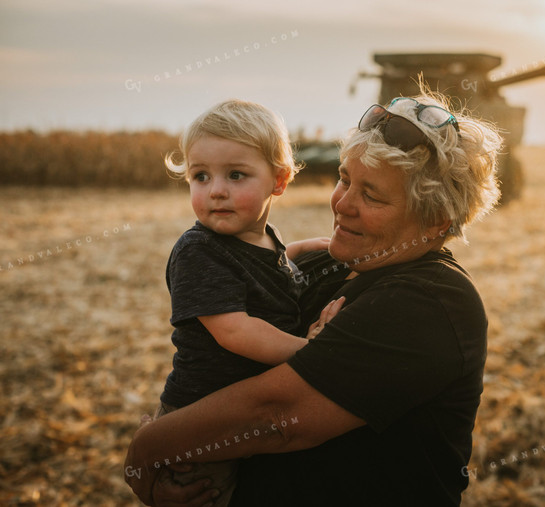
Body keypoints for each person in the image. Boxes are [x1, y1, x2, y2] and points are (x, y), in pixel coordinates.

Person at [125, 90, 501, 506]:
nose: (342, 203)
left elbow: (276, 417)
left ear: (435, 221)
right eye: (344, 178)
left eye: (371, 195)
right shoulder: (327, 266)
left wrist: (148, 449)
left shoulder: (434, 302)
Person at [153, 99, 342, 506]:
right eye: (200, 176)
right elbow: (235, 330)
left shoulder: (260, 237)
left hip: (242, 410)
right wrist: (310, 353)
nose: (216, 190)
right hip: (201, 416)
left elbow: (264, 270)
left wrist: (304, 250)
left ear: (279, 180)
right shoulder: (198, 250)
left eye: (236, 175)